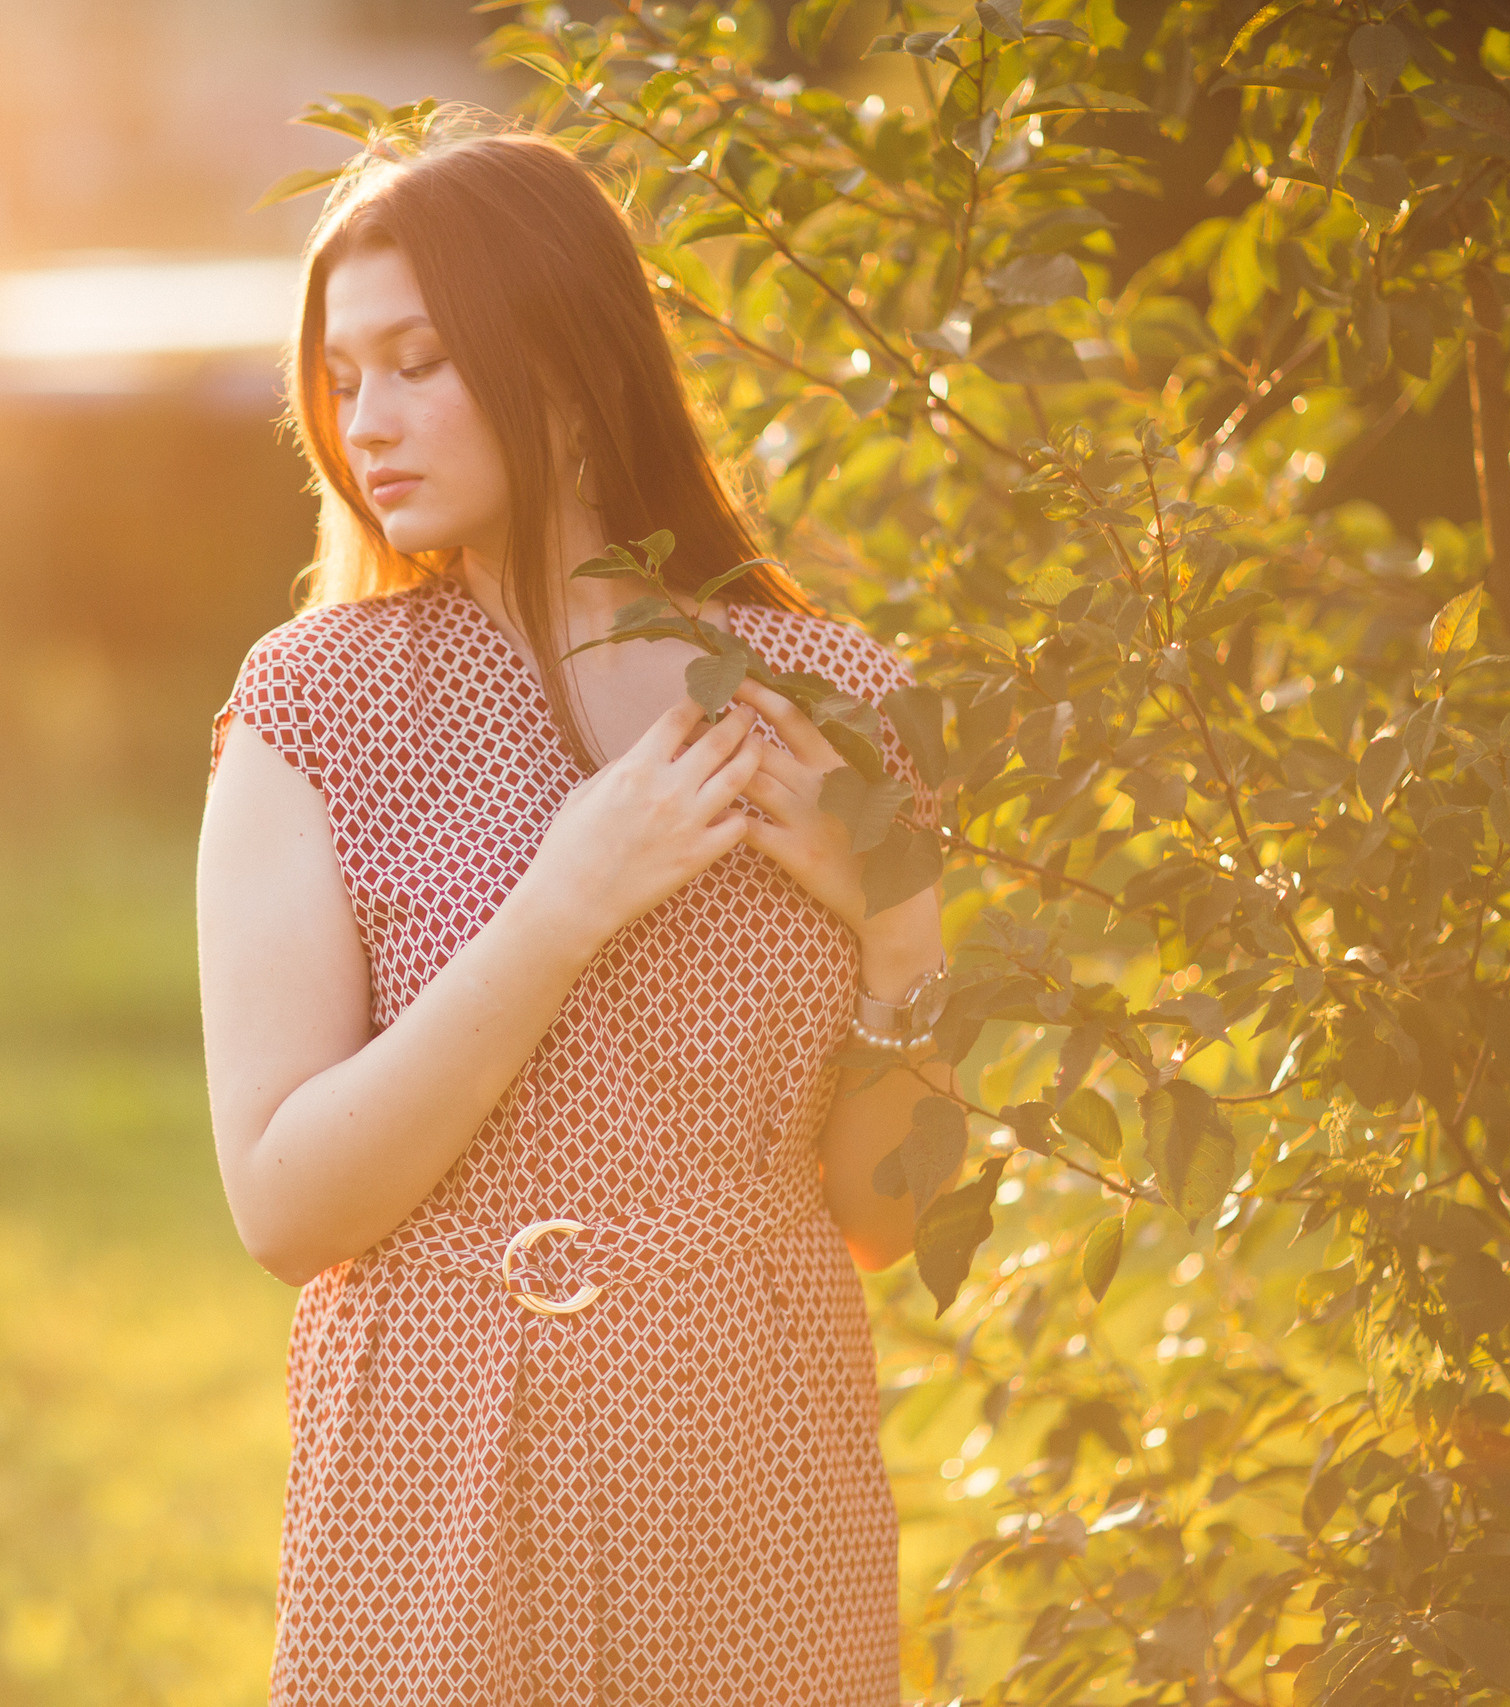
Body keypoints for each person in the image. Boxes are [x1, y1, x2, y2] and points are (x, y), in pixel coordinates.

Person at [196, 123, 950, 1707]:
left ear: (568, 359)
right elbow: (285, 1208)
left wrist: (898, 936)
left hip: (760, 1476)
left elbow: (898, 1217)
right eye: (342, 375)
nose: (366, 420)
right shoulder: (315, 705)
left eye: (418, 361)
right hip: (431, 1480)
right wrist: (560, 906)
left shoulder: (837, 704)